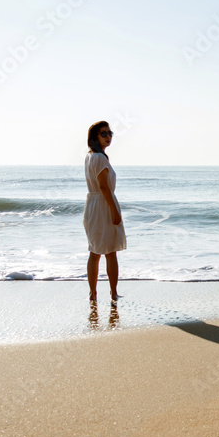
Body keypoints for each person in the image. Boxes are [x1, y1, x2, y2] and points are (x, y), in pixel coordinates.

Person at [83, 121, 126, 302]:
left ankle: (93, 294)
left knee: (94, 252)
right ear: (95, 137)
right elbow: (104, 187)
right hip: (103, 205)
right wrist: (114, 210)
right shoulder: (100, 158)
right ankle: (113, 293)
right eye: (104, 134)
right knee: (110, 251)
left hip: (92, 205)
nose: (108, 137)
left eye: (110, 133)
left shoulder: (90, 156)